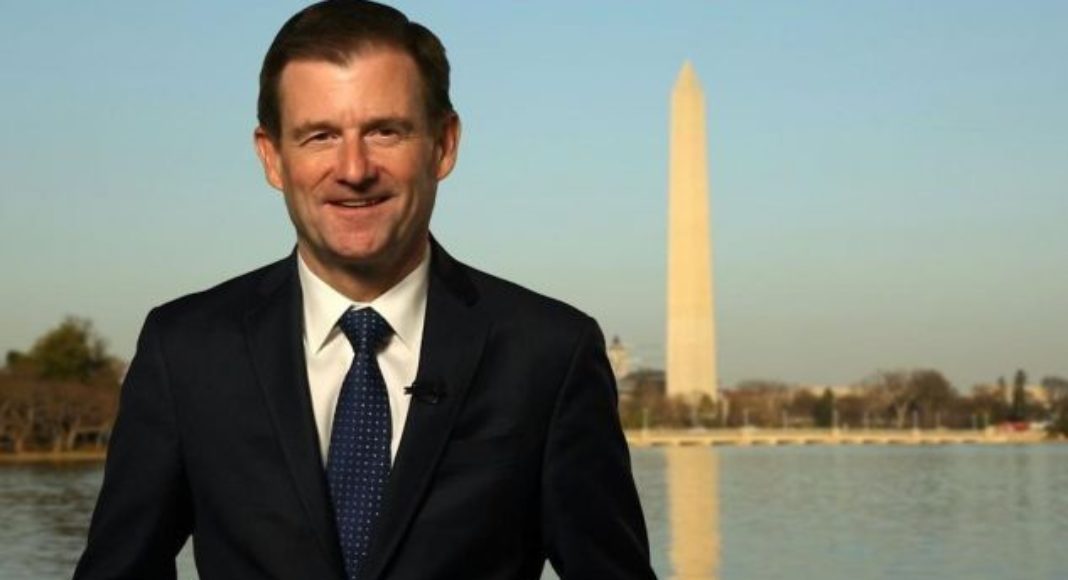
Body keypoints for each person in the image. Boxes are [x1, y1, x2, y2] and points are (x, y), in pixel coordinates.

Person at [74, 1, 656, 579]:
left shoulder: (549, 354)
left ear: (443, 144)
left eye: (384, 131)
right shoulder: (185, 351)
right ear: (272, 158)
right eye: (320, 135)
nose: (354, 169)